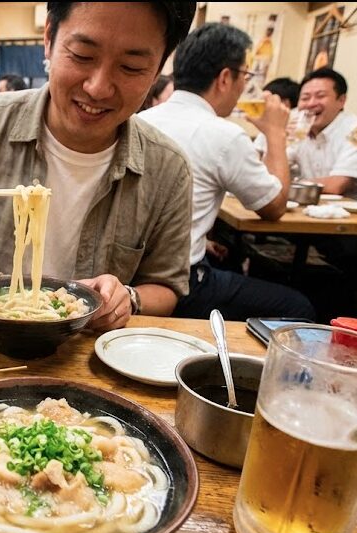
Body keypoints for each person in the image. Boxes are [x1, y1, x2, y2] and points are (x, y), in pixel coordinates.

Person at [0, 2, 197, 332]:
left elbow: (166, 288)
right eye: (82, 55)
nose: (98, 87)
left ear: (161, 66)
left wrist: (129, 298)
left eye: (131, 67)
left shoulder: (168, 168)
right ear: (49, 37)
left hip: (86, 352)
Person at [139, 23, 314, 321]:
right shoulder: (224, 135)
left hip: (131, 275)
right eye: (244, 76)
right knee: (297, 307)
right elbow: (274, 206)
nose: (244, 86)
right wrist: (275, 133)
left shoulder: (141, 120)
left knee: (225, 257)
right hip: (180, 284)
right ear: (224, 78)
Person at [291, 67, 357, 197]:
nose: (311, 103)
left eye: (320, 96)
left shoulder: (354, 130)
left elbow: (336, 185)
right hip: (310, 209)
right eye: (305, 98)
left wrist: (290, 184)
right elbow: (270, 175)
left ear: (341, 101)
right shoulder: (298, 128)